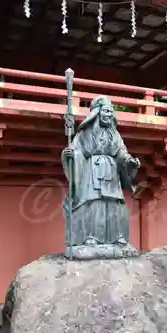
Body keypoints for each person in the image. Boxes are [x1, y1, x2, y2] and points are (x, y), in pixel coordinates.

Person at [61, 95, 140, 247]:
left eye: (111, 112)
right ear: (96, 112)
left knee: (114, 204)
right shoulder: (84, 133)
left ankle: (117, 236)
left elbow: (121, 152)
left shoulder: (115, 134)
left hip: (111, 172)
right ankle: (91, 236)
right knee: (94, 204)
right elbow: (77, 151)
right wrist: (72, 155)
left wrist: (129, 160)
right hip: (92, 172)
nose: (109, 115)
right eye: (105, 111)